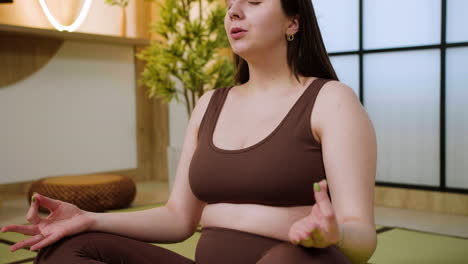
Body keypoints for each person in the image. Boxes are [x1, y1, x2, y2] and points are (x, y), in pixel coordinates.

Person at [1, 0, 377, 263]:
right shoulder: (210, 102)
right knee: (65, 248)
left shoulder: (331, 100)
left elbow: (362, 240)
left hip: (302, 260)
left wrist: (333, 234)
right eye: (230, 4)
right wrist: (88, 218)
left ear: (293, 22)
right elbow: (179, 217)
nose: (234, 11)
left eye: (254, 1)